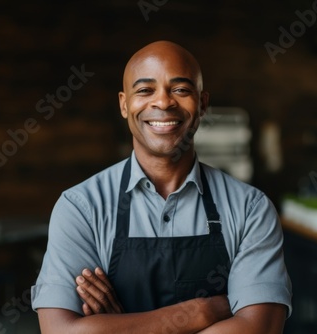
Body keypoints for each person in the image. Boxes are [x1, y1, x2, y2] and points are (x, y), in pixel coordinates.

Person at [31, 40, 292, 333]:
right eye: (144, 90)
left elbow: (259, 329)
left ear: (203, 104)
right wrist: (200, 311)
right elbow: (60, 331)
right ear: (124, 104)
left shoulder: (251, 209)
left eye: (180, 89)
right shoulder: (80, 207)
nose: (164, 102)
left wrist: (117, 327)